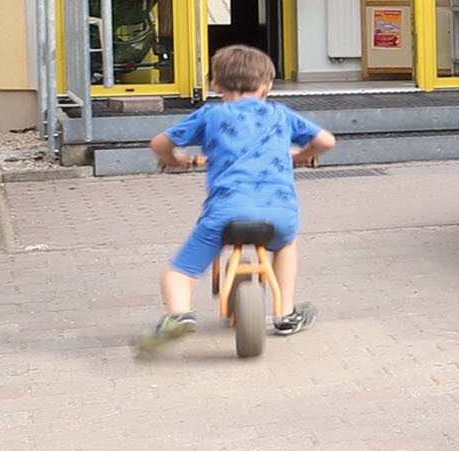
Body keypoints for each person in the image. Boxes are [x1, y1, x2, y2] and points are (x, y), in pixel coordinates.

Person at [135, 43, 331, 353]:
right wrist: (301, 156)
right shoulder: (281, 114)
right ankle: (285, 313)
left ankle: (179, 315)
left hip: (225, 213)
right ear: (267, 86)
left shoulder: (210, 115)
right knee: (286, 246)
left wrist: (175, 160)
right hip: (279, 214)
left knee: (180, 271)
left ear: (215, 84)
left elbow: (159, 143)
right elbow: (326, 141)